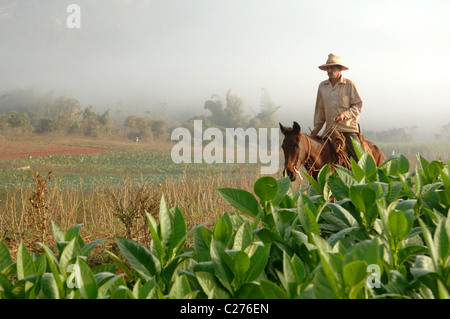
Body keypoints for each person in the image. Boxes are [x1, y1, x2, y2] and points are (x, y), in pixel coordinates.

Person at [310, 53, 363, 162]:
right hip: (329, 131)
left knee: (359, 159)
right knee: (315, 160)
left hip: (347, 129)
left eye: (332, 68)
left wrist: (344, 115)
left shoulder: (350, 85)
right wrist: (316, 130)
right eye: (327, 68)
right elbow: (320, 111)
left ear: (339, 69)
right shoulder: (322, 87)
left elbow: (358, 105)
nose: (329, 70)